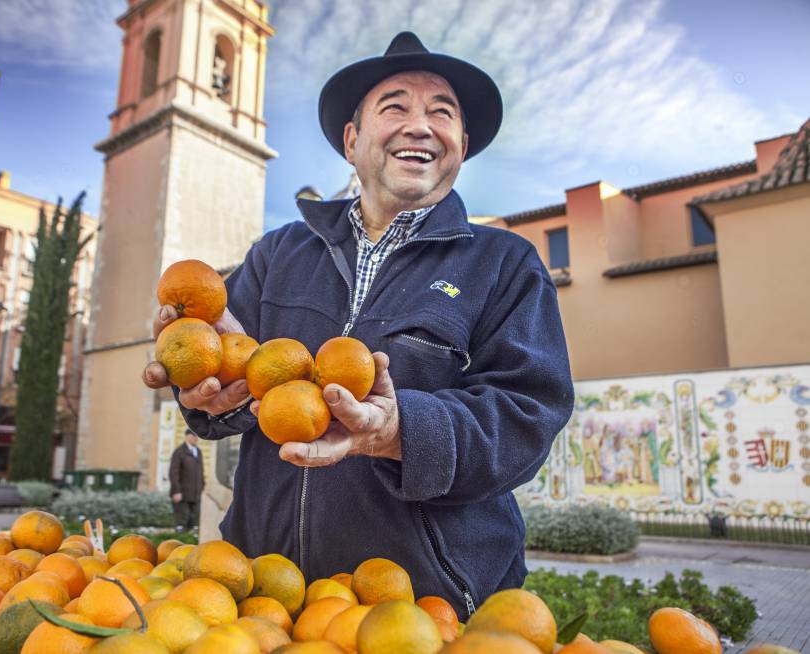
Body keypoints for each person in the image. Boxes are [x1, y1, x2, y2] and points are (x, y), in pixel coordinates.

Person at [143, 32, 574, 619]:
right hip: (266, 599)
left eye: (441, 112)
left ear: (461, 145)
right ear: (353, 140)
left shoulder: (504, 263)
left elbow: (527, 418)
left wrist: (398, 431)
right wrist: (207, 391)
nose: (419, 126)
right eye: (394, 107)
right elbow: (226, 394)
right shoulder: (277, 254)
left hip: (428, 608)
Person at [168, 429, 204, 532]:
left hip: (195, 494)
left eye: (197, 436)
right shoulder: (179, 452)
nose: (196, 438)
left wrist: (202, 486)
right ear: (187, 436)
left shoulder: (198, 452)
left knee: (193, 524)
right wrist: (176, 491)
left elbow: (200, 472)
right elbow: (173, 473)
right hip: (182, 494)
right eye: (194, 435)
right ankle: (180, 546)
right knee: (182, 523)